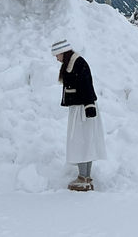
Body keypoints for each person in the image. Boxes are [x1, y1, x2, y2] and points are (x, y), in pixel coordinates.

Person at [51, 37, 106, 192]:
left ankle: (83, 178)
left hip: (83, 109)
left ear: (63, 52)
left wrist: (89, 106)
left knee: (81, 142)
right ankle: (85, 177)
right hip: (79, 108)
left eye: (57, 55)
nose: (56, 58)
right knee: (84, 141)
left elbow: (87, 84)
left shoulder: (79, 63)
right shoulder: (71, 63)